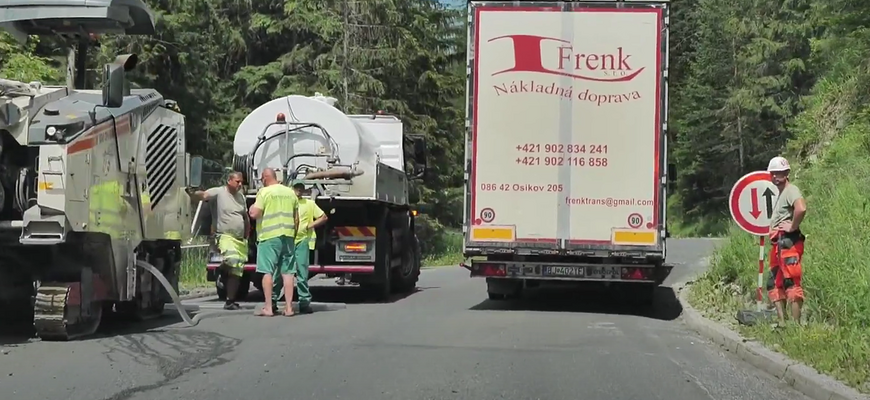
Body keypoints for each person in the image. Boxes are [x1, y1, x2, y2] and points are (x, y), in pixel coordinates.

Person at [190, 172, 250, 310]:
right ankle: (221, 270)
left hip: (239, 239)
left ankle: (230, 301)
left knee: (236, 271)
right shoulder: (219, 192)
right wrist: (192, 192)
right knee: (232, 260)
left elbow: (245, 216)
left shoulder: (241, 197)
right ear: (229, 181)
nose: (240, 184)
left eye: (241, 182)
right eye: (237, 181)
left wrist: (246, 233)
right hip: (225, 236)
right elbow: (204, 195)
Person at [249, 168, 299, 317]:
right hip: (288, 236)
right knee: (288, 273)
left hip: (269, 236)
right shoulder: (290, 192)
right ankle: (289, 308)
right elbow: (296, 218)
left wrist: (251, 208)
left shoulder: (264, 192)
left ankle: (269, 307)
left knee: (267, 271)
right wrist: (293, 235)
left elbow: (255, 213)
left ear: (264, 178)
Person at [766, 156, 808, 323]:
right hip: (779, 243)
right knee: (774, 282)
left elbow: (801, 208)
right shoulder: (782, 193)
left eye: (780, 173)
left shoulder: (791, 190)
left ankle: (795, 326)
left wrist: (792, 226)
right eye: (773, 173)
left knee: (791, 282)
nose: (776, 176)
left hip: (788, 242)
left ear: (787, 173)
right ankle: (783, 323)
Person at [290, 180, 328, 314]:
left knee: (302, 273)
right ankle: (274, 301)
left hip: (302, 242)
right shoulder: (287, 202)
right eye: (296, 188)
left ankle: (304, 302)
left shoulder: (309, 204)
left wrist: (309, 226)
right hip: (287, 241)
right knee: (283, 273)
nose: (299, 190)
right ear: (291, 188)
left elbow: (323, 217)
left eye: (301, 188)